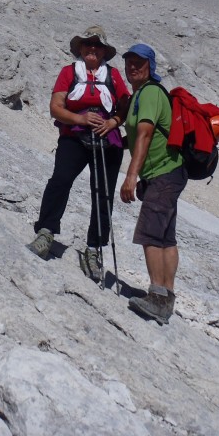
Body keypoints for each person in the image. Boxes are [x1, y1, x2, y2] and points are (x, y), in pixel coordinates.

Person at [27, 26, 130, 281]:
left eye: (97, 45)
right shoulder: (68, 73)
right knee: (60, 180)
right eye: (88, 44)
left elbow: (125, 107)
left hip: (108, 138)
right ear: (81, 48)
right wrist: (80, 119)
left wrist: (114, 122)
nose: (92, 48)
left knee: (103, 195)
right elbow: (55, 108)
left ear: (104, 51)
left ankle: (94, 249)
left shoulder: (114, 76)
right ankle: (46, 231)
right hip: (74, 134)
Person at [119, 43, 187, 325]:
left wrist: (131, 176)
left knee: (149, 233)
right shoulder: (143, 94)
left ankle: (157, 298)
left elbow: (145, 136)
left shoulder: (148, 94)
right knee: (166, 236)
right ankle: (167, 296)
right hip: (171, 173)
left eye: (139, 63)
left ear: (150, 67)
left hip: (162, 174)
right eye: (129, 62)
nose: (133, 67)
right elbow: (138, 137)